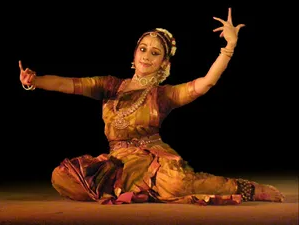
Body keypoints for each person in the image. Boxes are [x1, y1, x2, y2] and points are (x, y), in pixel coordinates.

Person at [19, 8, 284, 205]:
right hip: (118, 163)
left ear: (164, 64)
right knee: (62, 176)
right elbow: (68, 84)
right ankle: (134, 190)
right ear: (134, 54)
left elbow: (205, 84)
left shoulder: (163, 95)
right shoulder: (110, 86)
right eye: (143, 49)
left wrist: (229, 48)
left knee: (176, 182)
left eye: (155, 53)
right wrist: (35, 80)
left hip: (151, 161)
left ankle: (243, 188)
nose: (147, 55)